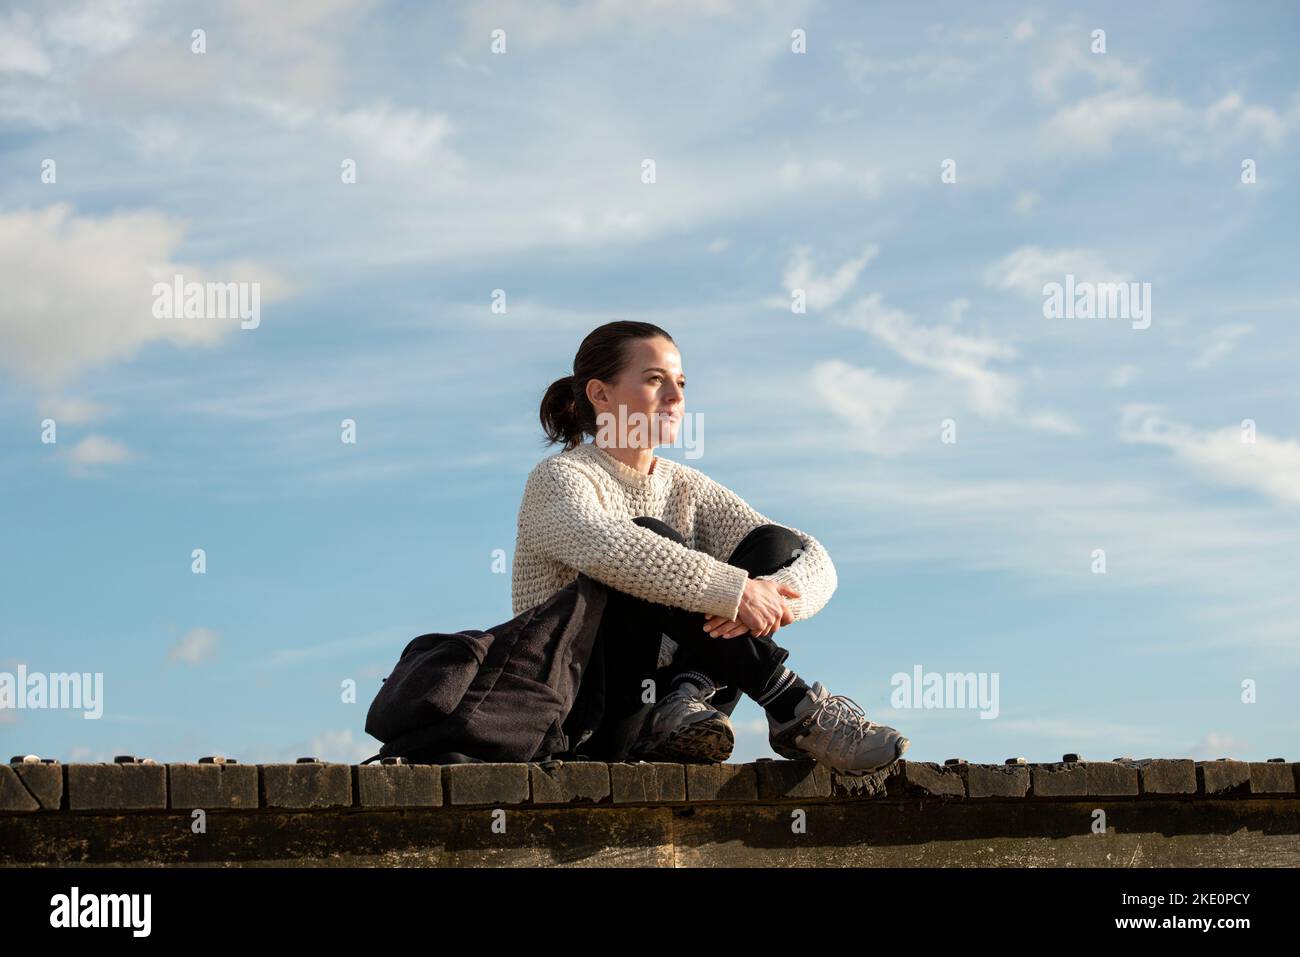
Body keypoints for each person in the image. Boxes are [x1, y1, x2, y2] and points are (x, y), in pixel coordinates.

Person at [511, 320, 909, 774]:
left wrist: (773, 598)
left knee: (774, 544)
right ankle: (791, 703)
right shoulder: (559, 479)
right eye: (655, 380)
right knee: (650, 540)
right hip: (583, 713)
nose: (676, 398)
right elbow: (611, 546)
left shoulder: (687, 486)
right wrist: (734, 592)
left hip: (675, 714)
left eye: (680, 383)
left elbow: (808, 556)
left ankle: (687, 697)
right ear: (600, 395)